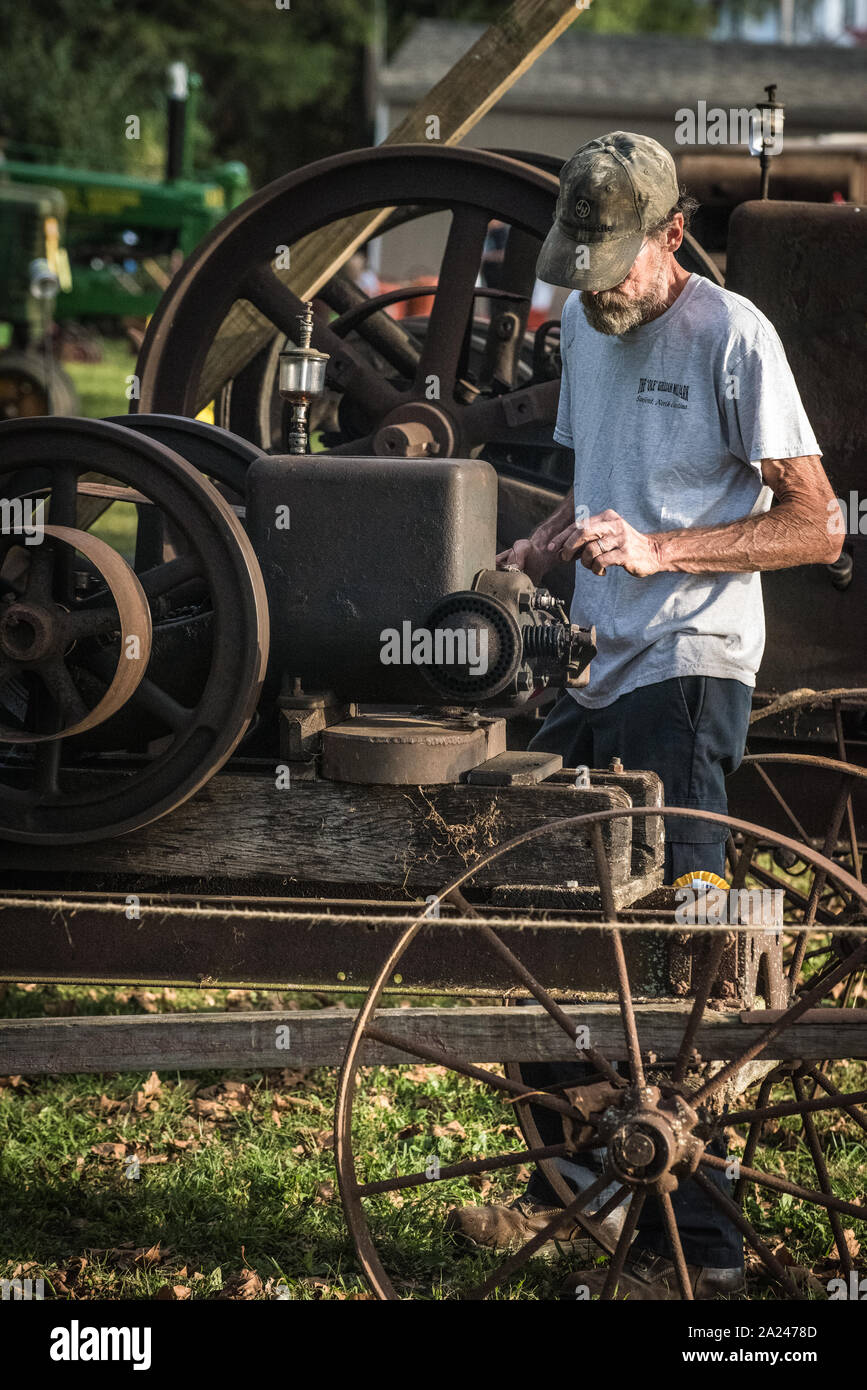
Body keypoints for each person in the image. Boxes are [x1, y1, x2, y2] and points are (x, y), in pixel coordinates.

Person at [446, 131, 841, 1299]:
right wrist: (550, 539)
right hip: (596, 662)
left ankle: (705, 1252)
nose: (597, 282)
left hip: (695, 665)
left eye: (617, 259)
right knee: (514, 906)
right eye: (584, 260)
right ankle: (581, 1181)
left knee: (691, 947)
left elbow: (820, 526)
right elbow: (595, 478)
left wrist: (664, 549)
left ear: (672, 237)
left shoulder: (734, 335)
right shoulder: (585, 323)